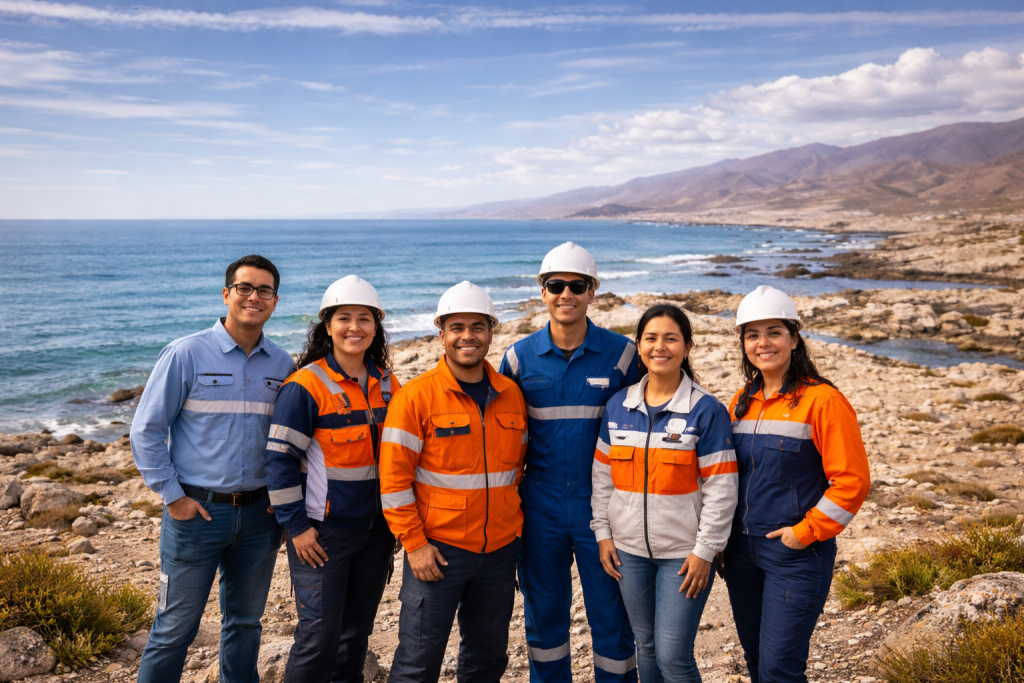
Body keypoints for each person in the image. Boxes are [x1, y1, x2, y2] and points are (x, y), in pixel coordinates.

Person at [131, 255, 295, 683]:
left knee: (245, 624)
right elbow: (146, 430)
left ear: (275, 301)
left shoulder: (283, 365)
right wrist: (174, 497)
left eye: (264, 290)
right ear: (226, 294)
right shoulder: (186, 353)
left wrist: (284, 501)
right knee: (174, 629)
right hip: (196, 515)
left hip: (260, 516)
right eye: (244, 288)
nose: (253, 297)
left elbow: (291, 442)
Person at [499, 242, 640, 683]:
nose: (566, 294)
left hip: (604, 505)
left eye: (577, 286)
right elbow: (500, 435)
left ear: (592, 292)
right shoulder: (518, 359)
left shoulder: (623, 355)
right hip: (539, 503)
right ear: (542, 291)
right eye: (556, 285)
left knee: (613, 617)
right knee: (544, 618)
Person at [380, 281, 529, 683]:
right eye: (457, 327)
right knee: (417, 663)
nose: (468, 336)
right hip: (438, 552)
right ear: (441, 334)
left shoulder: (511, 394)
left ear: (491, 333)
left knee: (487, 659)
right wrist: (415, 545)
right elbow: (393, 481)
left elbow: (517, 469)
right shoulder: (415, 398)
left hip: (499, 551)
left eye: (478, 327)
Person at [723, 285, 870, 683]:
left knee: (779, 670)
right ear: (743, 344)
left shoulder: (824, 401)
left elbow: (852, 482)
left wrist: (805, 533)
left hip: (796, 556)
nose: (763, 343)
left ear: (793, 338)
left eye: (774, 332)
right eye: (752, 335)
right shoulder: (740, 402)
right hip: (740, 553)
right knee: (756, 661)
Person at [592, 304, 738, 683]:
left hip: (684, 555)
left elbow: (722, 488)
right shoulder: (617, 406)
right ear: (639, 347)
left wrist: (706, 550)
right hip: (628, 553)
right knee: (646, 646)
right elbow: (602, 478)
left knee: (673, 656)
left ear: (686, 347)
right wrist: (603, 534)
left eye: (671, 339)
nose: (660, 347)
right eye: (651, 338)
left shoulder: (706, 410)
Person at [265, 275, 400, 682]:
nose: (354, 327)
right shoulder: (305, 386)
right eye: (344, 318)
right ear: (327, 326)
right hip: (324, 535)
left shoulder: (388, 384)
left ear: (376, 326)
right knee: (318, 638)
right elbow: (279, 461)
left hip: (377, 533)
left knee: (356, 634)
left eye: (364, 319)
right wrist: (296, 526)